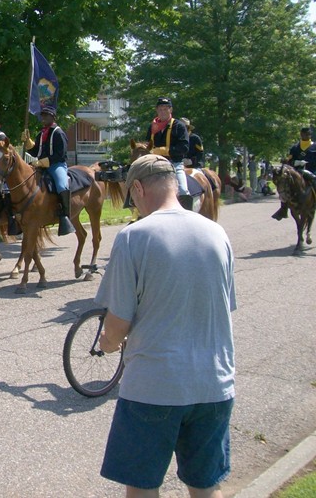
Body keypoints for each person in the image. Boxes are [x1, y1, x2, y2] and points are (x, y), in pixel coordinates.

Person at [95, 154, 236, 498]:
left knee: (142, 488)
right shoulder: (217, 234)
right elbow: (223, 306)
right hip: (214, 385)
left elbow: (117, 323)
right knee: (205, 486)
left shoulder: (134, 237)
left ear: (139, 188)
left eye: (132, 198)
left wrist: (108, 342)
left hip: (155, 388)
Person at [21, 105, 74, 235]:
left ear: (53, 117)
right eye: (42, 116)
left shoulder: (58, 133)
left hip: (56, 165)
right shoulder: (41, 134)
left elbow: (60, 154)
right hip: (41, 165)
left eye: (46, 116)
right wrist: (28, 142)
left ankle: (65, 215)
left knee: (61, 185)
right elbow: (35, 151)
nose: (43, 118)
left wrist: (42, 162)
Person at [146, 97, 191, 208]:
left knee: (183, 191)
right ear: (157, 110)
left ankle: (188, 218)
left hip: (174, 164)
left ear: (171, 110)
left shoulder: (179, 126)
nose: (163, 112)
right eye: (160, 109)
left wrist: (163, 151)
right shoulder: (152, 127)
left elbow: (184, 147)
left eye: (166, 109)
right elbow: (147, 145)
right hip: (155, 164)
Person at [272, 126, 316, 220]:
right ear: (300, 134)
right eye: (303, 134)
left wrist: (309, 163)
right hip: (296, 170)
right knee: (284, 184)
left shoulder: (314, 146)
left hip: (311, 170)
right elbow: (289, 158)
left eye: (307, 134)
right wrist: (288, 161)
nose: (305, 136)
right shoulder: (295, 147)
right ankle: (283, 208)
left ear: (310, 135)